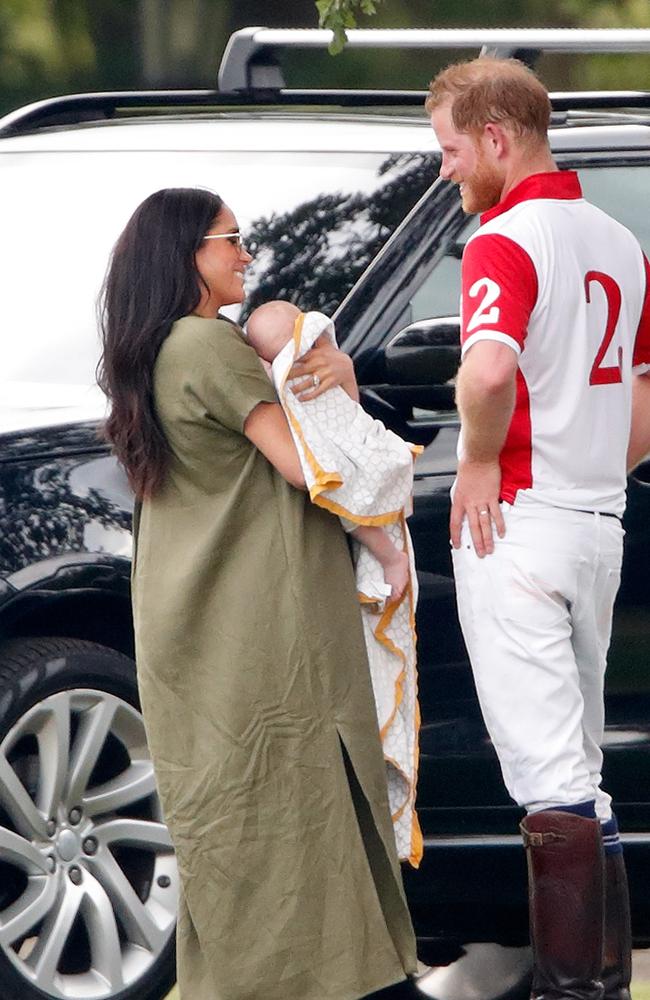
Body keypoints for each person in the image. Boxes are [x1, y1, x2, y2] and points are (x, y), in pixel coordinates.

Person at [96, 187, 417, 1000]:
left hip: (200, 626)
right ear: (186, 255)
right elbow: (310, 462)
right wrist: (382, 534)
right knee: (296, 812)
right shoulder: (206, 346)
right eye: (229, 239)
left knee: (244, 821)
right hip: (259, 621)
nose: (246, 254)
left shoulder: (167, 351)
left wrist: (331, 372)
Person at [426, 58, 650, 999]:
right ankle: (593, 987)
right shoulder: (621, 240)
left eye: (448, 150)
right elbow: (644, 397)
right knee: (583, 778)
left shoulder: (505, 239)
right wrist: (592, 460)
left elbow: (483, 375)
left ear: (496, 138)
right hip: (600, 518)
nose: (445, 172)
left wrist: (478, 459)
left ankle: (572, 993)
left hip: (519, 523)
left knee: (550, 786)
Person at [246, 298, 422, 866]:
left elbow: (359, 441)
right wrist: (388, 550)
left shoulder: (328, 381)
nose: (323, 354)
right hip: (369, 549)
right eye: (309, 346)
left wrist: (346, 378)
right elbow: (337, 481)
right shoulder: (296, 401)